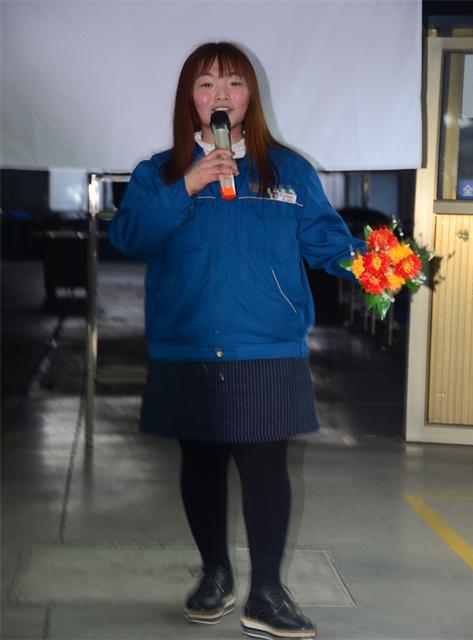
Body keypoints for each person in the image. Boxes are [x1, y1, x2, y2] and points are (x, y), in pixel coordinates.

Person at [109, 41, 365, 640]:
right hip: (189, 345)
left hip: (266, 345)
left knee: (266, 468)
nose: (220, 95)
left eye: (233, 83)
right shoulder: (158, 173)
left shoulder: (288, 170)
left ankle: (266, 593)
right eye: (206, 84)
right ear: (190, 99)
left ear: (250, 96)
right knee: (200, 465)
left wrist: (380, 266)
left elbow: (328, 244)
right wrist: (188, 184)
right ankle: (215, 574)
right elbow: (129, 237)